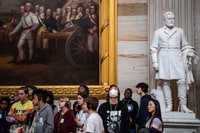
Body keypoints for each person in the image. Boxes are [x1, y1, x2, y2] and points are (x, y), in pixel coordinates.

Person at [150, 11, 196, 113]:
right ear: (164, 20)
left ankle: (183, 105)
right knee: (166, 82)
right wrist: (155, 63)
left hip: (177, 57)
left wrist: (189, 52)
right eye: (169, 19)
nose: (171, 20)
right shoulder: (158, 32)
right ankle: (169, 105)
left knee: (181, 81)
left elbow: (184, 45)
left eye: (172, 19)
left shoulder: (180, 31)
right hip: (164, 58)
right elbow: (153, 48)